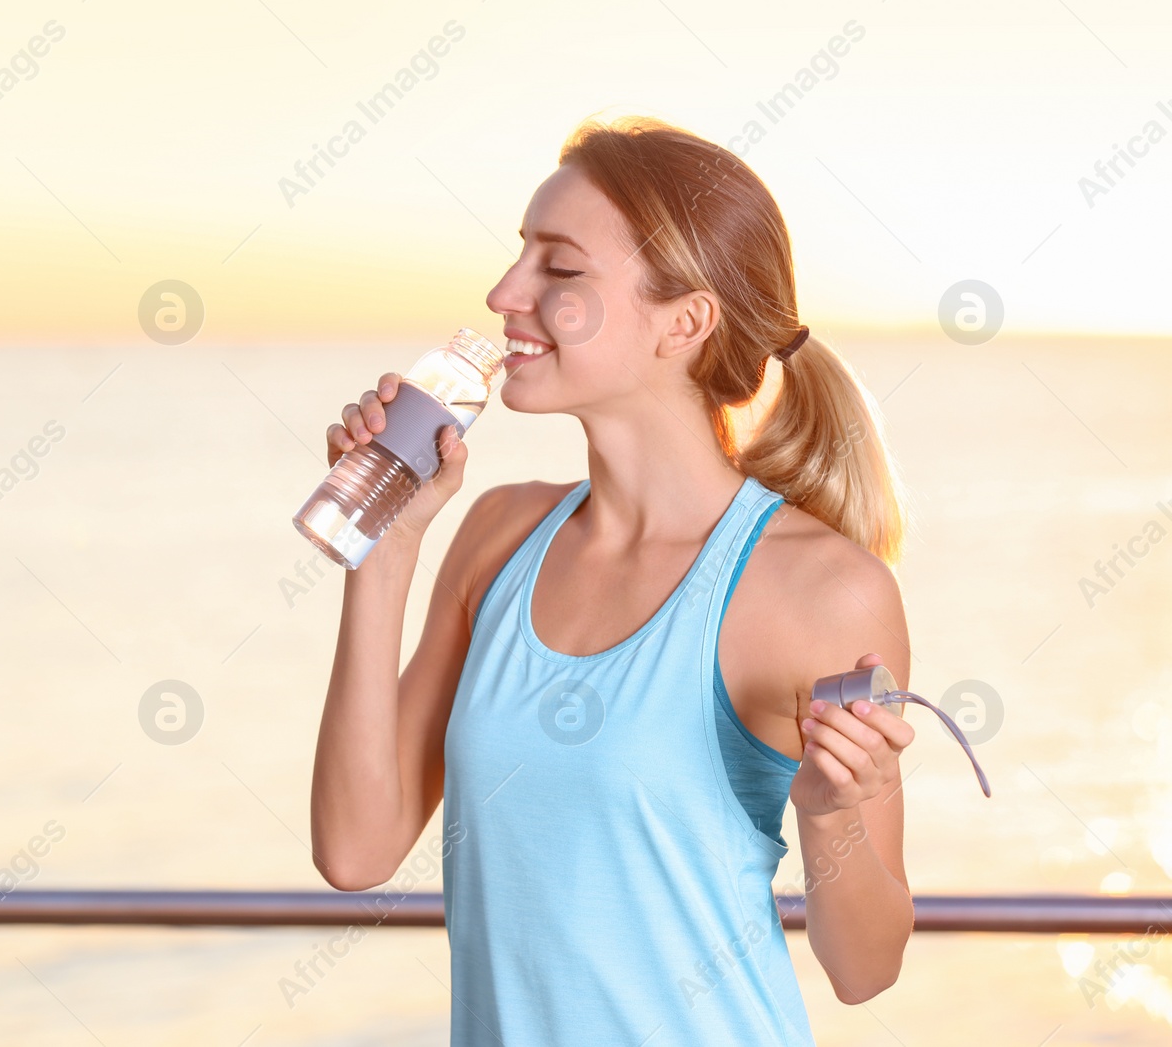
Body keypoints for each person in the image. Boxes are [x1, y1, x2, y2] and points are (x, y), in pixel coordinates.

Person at [309, 115, 916, 1045]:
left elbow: (865, 970)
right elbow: (356, 849)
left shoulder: (821, 590)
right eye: (521, 256)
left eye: (559, 270)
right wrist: (385, 546)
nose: (505, 292)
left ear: (685, 321)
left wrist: (834, 817)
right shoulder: (499, 534)